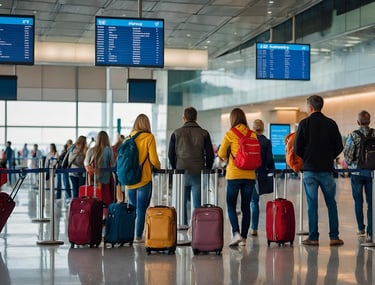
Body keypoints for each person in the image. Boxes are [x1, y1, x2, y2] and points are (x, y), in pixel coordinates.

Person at [294, 94, 344, 246]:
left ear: (310, 107)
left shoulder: (304, 123)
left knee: (312, 204)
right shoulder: (331, 123)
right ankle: (334, 237)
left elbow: (297, 148)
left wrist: (307, 157)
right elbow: (339, 146)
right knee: (331, 203)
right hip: (327, 170)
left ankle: (314, 237)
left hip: (309, 170)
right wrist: (329, 157)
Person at [168, 107, 215, 226]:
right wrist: (207, 169)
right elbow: (210, 155)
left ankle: (183, 225)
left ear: (184, 118)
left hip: (181, 172)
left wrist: (175, 168)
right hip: (198, 172)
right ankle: (197, 227)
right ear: (196, 117)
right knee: (197, 203)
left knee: (181, 202)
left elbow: (170, 154)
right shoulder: (204, 133)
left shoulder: (176, 133)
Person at [217, 108, 257, 247]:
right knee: (246, 206)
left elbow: (221, 154)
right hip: (250, 175)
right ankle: (244, 238)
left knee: (231, 204)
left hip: (234, 174)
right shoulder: (253, 135)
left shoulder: (230, 134)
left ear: (232, 119)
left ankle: (236, 233)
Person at [126, 114, 161, 243]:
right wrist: (158, 166)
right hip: (143, 179)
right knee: (141, 209)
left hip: (129, 181)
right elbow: (153, 159)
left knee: (133, 208)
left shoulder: (128, 138)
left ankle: (129, 234)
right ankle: (138, 236)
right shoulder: (149, 137)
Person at [343, 110, 373, 242]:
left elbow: (348, 155)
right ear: (370, 121)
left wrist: (351, 164)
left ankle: (361, 228)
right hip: (372, 173)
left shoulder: (353, 135)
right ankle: (371, 230)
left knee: (358, 201)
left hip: (356, 172)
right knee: (371, 203)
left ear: (358, 122)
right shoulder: (374, 133)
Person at [250, 119, 275, 236]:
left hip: (248, 172)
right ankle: (254, 228)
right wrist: (271, 170)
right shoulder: (266, 141)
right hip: (260, 174)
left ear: (253, 128)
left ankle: (248, 227)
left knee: (249, 201)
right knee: (255, 201)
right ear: (263, 128)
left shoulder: (249, 140)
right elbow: (269, 159)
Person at [84, 131, 115, 210]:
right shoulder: (108, 149)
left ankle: (95, 217)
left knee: (94, 200)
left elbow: (86, 163)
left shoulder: (91, 150)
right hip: (106, 179)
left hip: (93, 180)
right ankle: (105, 219)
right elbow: (113, 164)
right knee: (107, 201)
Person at [112, 134, 125, 202]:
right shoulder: (124, 146)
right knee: (122, 184)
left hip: (116, 168)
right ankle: (122, 199)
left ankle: (118, 199)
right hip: (122, 168)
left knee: (117, 184)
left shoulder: (114, 147)